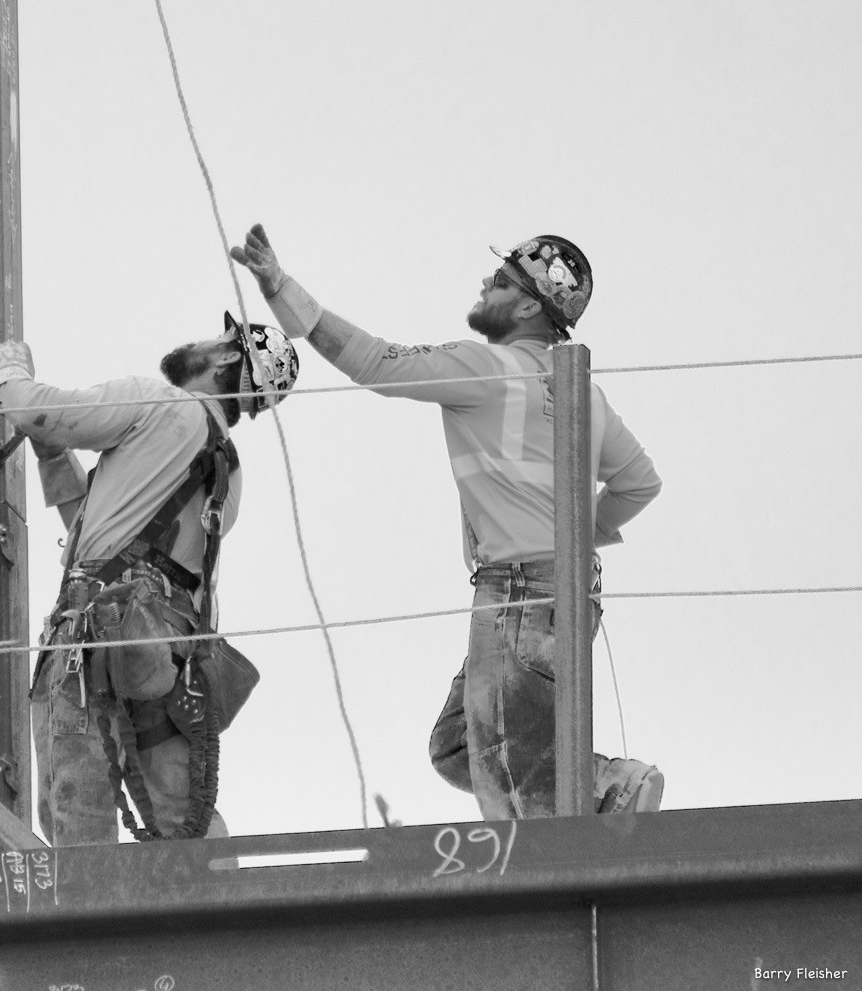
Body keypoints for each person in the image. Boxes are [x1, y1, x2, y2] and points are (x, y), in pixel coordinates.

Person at [230, 224, 663, 820]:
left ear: (530, 305)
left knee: (515, 787)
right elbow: (640, 481)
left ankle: (608, 789)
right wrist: (574, 538)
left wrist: (280, 288)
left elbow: (374, 363)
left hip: (517, 594)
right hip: (567, 596)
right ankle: (595, 785)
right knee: (458, 746)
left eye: (502, 280)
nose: (486, 282)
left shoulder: (485, 366)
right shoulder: (584, 394)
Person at [0, 314, 298, 845]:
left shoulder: (161, 403)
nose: (202, 341)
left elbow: (40, 411)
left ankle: (88, 918)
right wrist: (52, 455)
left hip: (96, 631)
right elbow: (109, 531)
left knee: (75, 797)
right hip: (162, 648)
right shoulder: (227, 468)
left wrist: (8, 372)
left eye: (217, 339)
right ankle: (219, 912)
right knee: (180, 813)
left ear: (225, 357)